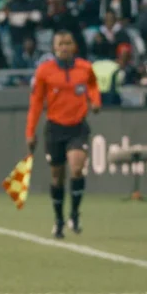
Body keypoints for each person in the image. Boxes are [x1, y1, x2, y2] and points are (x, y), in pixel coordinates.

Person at [25, 30, 101, 238]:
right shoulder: (44, 71)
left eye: (68, 43)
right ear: (54, 48)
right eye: (60, 44)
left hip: (77, 126)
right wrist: (30, 132)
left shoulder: (85, 68)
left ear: (74, 46)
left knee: (76, 168)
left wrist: (95, 101)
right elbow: (36, 103)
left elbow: (93, 86)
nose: (64, 47)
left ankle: (74, 214)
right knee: (57, 177)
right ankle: (58, 219)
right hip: (55, 128)